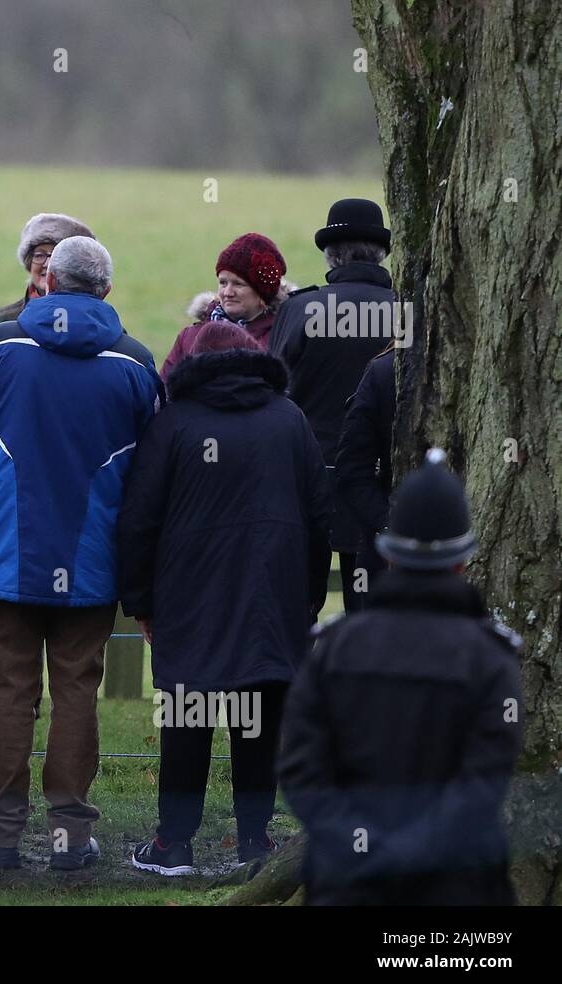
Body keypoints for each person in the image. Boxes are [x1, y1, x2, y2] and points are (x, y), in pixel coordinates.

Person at [0, 237, 160, 870]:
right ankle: (71, 836)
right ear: (105, 290)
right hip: (93, 557)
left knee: (9, 691)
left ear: (46, 281)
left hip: (5, 553)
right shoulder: (135, 363)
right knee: (78, 691)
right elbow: (149, 462)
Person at [120, 321, 332, 875]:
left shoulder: (173, 424)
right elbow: (319, 517)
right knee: (258, 721)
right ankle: (255, 842)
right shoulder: (289, 420)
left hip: (189, 600)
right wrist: (307, 599)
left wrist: (141, 601)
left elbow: (139, 519)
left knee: (187, 721)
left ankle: (173, 844)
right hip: (273, 600)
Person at [280, 451, 524, 905]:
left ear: (390, 557)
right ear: (462, 561)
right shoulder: (491, 658)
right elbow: (484, 781)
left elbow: (301, 768)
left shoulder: (335, 649)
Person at [269, 199, 398, 609]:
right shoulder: (406, 311)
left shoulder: (299, 309)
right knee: (371, 618)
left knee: (294, 612)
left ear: (330, 254)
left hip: (307, 480)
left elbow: (273, 394)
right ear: (380, 253)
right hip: (384, 487)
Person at [161, 233, 290, 381]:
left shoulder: (282, 339)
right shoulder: (189, 336)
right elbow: (164, 395)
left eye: (238, 284)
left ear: (262, 293)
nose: (227, 292)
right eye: (223, 283)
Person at [334, 345, 397, 605]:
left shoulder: (383, 370)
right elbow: (352, 469)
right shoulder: (385, 371)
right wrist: (388, 526)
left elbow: (351, 468)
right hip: (389, 558)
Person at [0, 213, 93, 331]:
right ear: (29, 262)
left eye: (58, 256)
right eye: (40, 255)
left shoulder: (94, 323)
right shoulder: (2, 321)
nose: (47, 264)